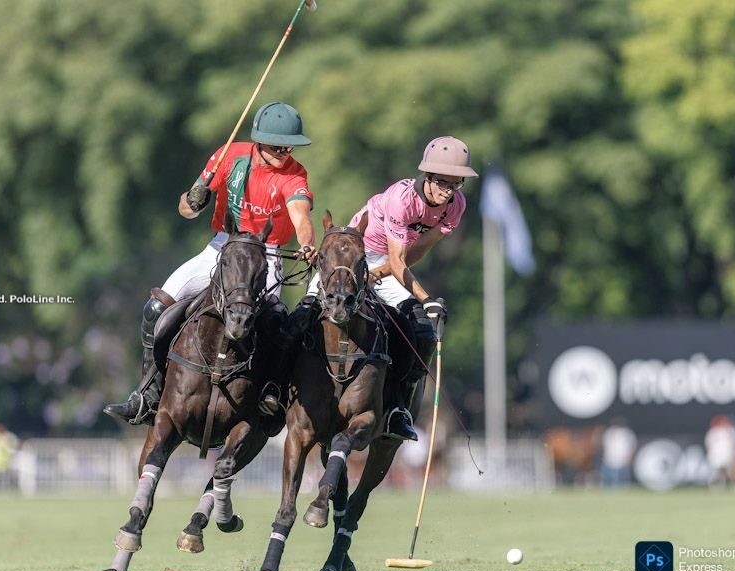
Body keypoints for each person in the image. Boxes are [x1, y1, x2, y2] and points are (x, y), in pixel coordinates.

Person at [104, 101, 316, 425]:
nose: (285, 152)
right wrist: (194, 199)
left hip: (266, 253)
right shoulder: (230, 156)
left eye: (289, 146)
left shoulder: (293, 174)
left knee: (275, 319)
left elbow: (300, 214)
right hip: (221, 246)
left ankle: (270, 393)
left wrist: (306, 242)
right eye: (278, 146)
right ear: (259, 141)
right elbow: (185, 209)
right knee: (155, 308)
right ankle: (147, 394)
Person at [284, 136, 478, 441]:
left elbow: (413, 254)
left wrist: (381, 273)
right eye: (443, 182)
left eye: (456, 184)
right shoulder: (400, 200)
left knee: (424, 334)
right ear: (427, 177)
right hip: (352, 258)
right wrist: (426, 297)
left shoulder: (455, 206)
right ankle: (278, 390)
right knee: (302, 317)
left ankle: (398, 408)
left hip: (390, 265)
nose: (448, 190)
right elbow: (399, 259)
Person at [600, 418, 637, 487]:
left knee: (622, 474)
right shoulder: (609, 432)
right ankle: (609, 487)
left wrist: (629, 455)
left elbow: (632, 445)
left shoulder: (626, 433)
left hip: (622, 456)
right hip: (610, 457)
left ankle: (624, 486)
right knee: (609, 474)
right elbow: (604, 444)